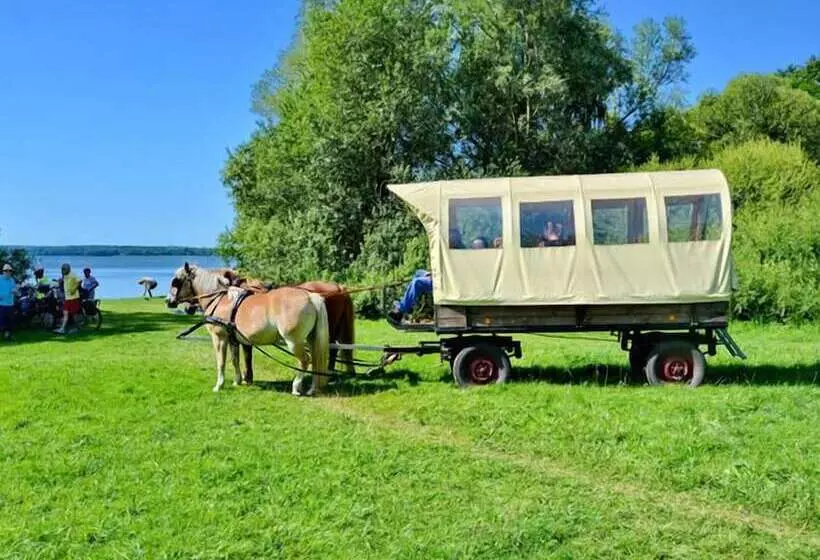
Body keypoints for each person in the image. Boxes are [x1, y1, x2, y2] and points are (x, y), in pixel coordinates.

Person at [54, 263, 81, 334]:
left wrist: (74, 289)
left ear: (68, 269)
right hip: (67, 298)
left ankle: (77, 328)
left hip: (74, 298)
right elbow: (62, 281)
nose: (63, 271)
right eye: (62, 269)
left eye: (64, 269)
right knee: (65, 313)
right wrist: (58, 282)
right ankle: (62, 328)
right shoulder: (65, 276)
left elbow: (79, 281)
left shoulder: (73, 274)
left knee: (74, 314)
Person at [0, 264, 18, 340]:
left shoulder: (12, 280)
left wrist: (14, 291)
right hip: (1, 304)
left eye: (10, 271)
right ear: (3, 271)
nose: (8, 272)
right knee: (2, 321)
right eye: (6, 271)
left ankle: (9, 335)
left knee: (10, 321)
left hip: (10, 304)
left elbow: (15, 289)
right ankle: (5, 334)